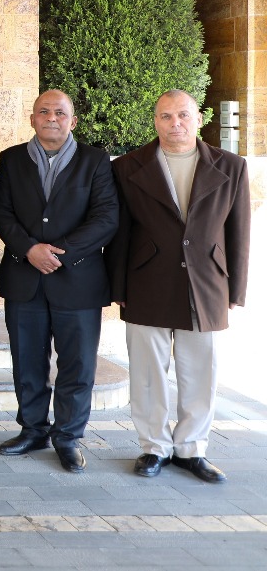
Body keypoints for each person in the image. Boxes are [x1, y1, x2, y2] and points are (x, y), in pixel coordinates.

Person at [107, 89, 250, 484]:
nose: (175, 124)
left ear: (198, 119)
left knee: (201, 371)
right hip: (146, 281)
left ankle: (192, 449)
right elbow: (120, 233)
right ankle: (154, 447)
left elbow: (239, 231)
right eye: (166, 116)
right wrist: (117, 287)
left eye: (183, 115)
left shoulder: (232, 166)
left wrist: (236, 289)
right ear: (155, 121)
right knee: (147, 371)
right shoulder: (128, 167)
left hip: (206, 283)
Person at [0, 90, 118, 472]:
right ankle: (32, 430)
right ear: (32, 119)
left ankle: (68, 437)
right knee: (27, 361)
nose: (51, 118)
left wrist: (59, 253)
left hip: (78, 281)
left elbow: (106, 218)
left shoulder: (95, 161)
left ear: (72, 121)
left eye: (60, 113)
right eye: (43, 112)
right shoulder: (11, 159)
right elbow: (2, 212)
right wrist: (29, 249)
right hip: (24, 278)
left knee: (77, 365)